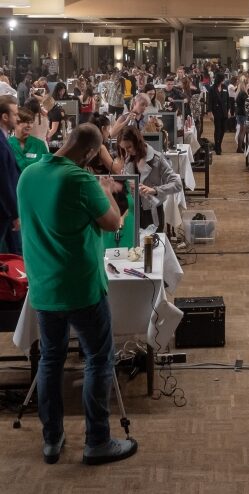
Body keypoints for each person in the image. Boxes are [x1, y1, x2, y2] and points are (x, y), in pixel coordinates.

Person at [17, 123, 138, 465]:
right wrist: (103, 189)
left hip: (43, 287)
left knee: (51, 361)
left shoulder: (28, 175)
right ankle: (97, 441)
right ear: (88, 154)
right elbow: (114, 223)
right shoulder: (81, 180)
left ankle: (52, 439)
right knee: (98, 359)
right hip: (82, 287)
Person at [117, 126, 182, 232]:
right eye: (123, 148)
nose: (126, 152)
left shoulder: (157, 159)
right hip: (133, 211)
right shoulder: (128, 160)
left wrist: (155, 190)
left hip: (152, 213)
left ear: (137, 142)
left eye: (128, 147)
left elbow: (177, 184)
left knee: (152, 246)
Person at [0, 95, 20, 254]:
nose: (18, 117)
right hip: (5, 211)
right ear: (5, 117)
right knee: (16, 253)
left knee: (15, 253)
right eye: (15, 114)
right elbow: (4, 181)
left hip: (6, 210)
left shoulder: (4, 138)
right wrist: (15, 213)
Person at [8, 107, 48, 172]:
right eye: (26, 122)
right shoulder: (7, 145)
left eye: (31, 122)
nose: (29, 125)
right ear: (15, 123)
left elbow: (47, 169)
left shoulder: (39, 145)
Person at [207, 72, 229, 155]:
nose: (224, 80)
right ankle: (217, 147)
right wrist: (210, 112)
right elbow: (210, 102)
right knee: (217, 129)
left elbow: (227, 99)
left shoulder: (225, 87)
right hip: (216, 112)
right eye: (223, 79)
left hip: (224, 111)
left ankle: (219, 144)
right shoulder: (212, 88)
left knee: (223, 129)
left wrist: (229, 110)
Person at [235, 77, 248, 153]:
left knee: (241, 131)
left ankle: (240, 147)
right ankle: (240, 148)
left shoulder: (239, 94)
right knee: (242, 131)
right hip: (243, 114)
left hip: (239, 113)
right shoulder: (243, 94)